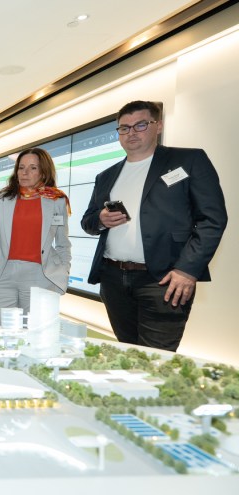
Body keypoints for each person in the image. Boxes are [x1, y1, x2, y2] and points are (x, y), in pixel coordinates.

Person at [81, 100, 227, 351]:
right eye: (124, 128)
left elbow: (212, 220)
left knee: (156, 358)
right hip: (113, 278)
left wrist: (187, 270)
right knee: (127, 351)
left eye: (140, 125)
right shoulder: (105, 175)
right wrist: (101, 220)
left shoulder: (188, 160)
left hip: (163, 281)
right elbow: (88, 222)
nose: (131, 133)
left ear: (157, 126)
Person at [0, 148, 72, 322]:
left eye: (33, 168)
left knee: (34, 336)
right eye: (21, 167)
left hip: (40, 276)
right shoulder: (0, 200)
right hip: (2, 273)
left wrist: (64, 269)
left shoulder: (56, 201)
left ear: (44, 172)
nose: (25, 172)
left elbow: (63, 243)